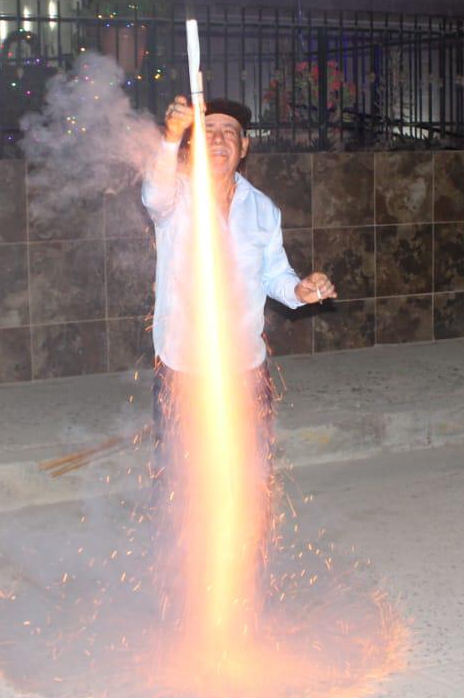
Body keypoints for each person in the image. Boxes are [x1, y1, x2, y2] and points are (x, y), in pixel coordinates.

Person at [142, 95, 335, 468]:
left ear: (244, 145)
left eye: (229, 132)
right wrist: (170, 137)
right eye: (208, 131)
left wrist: (300, 290)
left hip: (246, 367)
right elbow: (153, 195)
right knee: (182, 476)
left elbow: (274, 275)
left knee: (249, 474)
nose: (218, 140)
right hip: (184, 366)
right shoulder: (177, 196)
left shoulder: (262, 208)